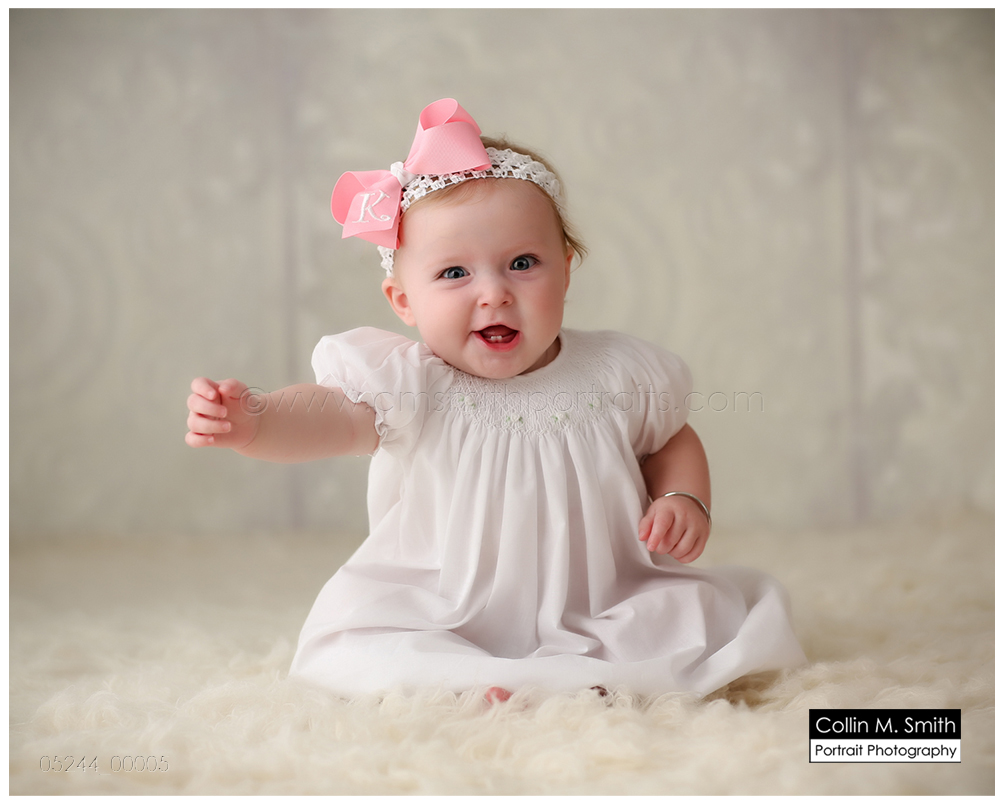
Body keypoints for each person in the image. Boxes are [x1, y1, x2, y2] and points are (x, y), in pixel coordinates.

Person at [186, 99, 805, 699]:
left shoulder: (617, 372)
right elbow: (330, 417)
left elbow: (669, 437)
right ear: (403, 301)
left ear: (565, 269)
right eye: (454, 273)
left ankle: (580, 675)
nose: (493, 294)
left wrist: (681, 495)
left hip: (600, 597)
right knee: (366, 639)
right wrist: (255, 421)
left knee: (689, 621)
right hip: (446, 605)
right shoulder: (410, 383)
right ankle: (474, 680)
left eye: (522, 263)